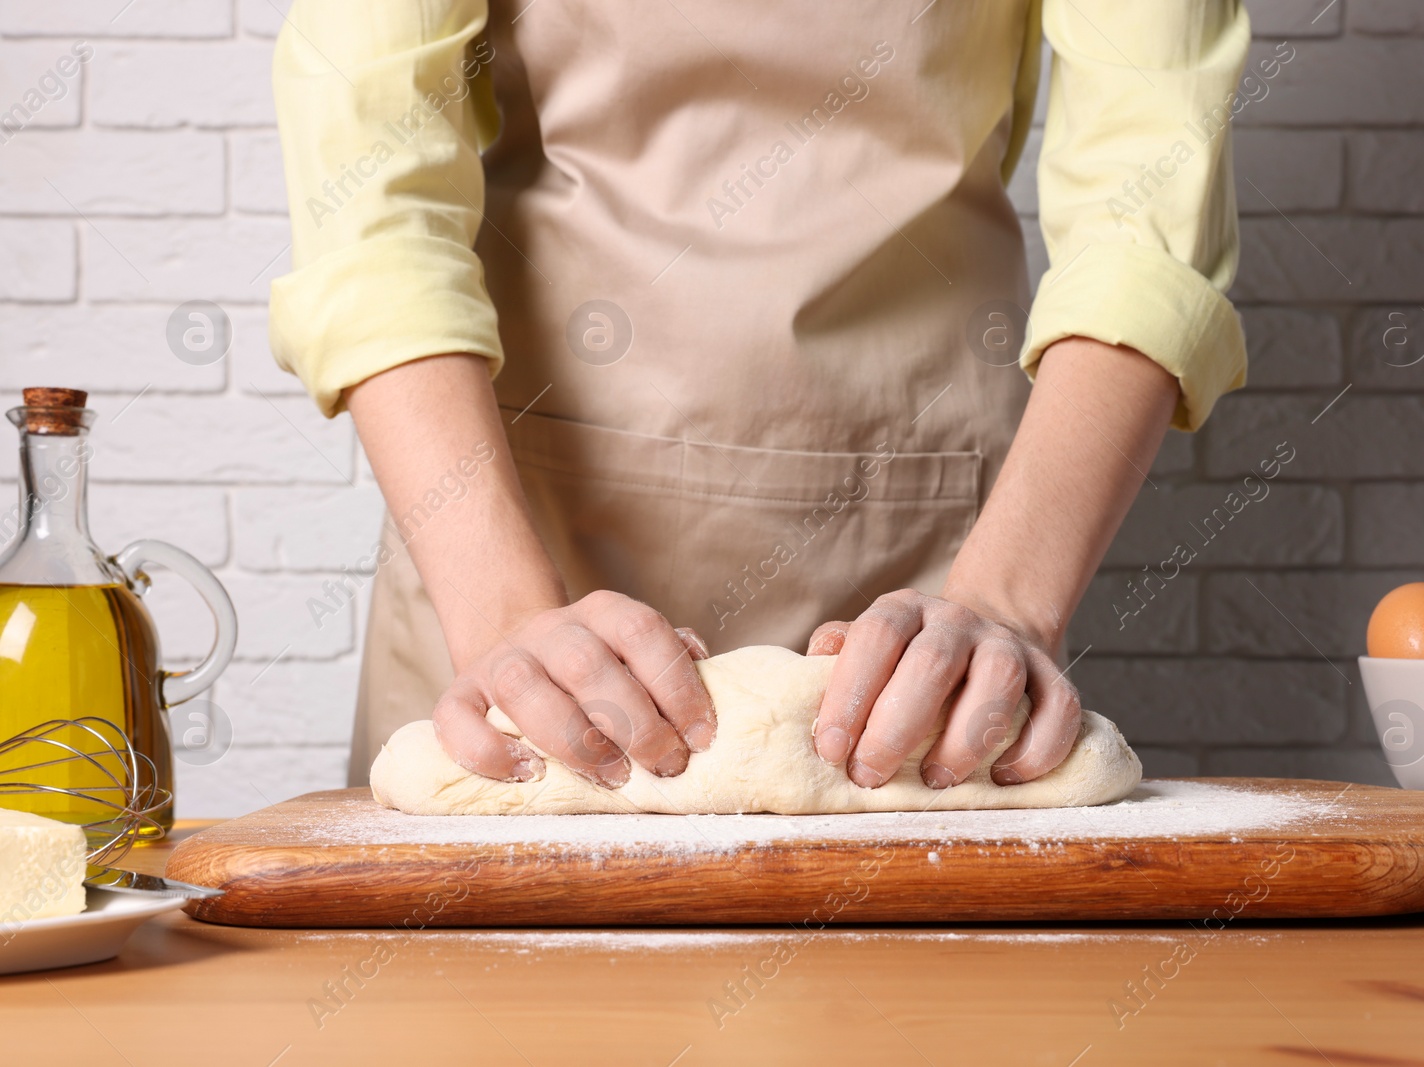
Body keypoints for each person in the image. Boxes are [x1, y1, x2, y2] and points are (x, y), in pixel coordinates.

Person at [269, 0, 1250, 793]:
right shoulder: (499, 603)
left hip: (937, 555)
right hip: (505, 542)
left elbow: (1149, 184)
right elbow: (372, 202)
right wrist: (501, 618)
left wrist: (1003, 598)